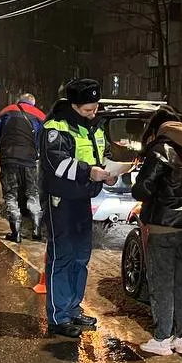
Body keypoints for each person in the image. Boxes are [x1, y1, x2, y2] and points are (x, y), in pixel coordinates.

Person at [40, 78, 114, 338]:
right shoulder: (56, 127)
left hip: (83, 198)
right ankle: (59, 316)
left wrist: (107, 173)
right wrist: (89, 172)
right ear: (73, 106)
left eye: (95, 108)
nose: (93, 113)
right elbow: (56, 163)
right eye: (87, 110)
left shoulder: (94, 127)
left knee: (81, 256)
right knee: (63, 255)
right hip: (61, 199)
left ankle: (72, 308)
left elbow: (100, 156)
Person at [131, 106, 182, 356]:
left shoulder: (160, 151)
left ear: (160, 130)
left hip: (163, 226)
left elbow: (142, 189)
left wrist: (137, 183)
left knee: (161, 282)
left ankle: (162, 338)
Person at [0, 92, 45, 243]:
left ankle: (16, 233)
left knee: (11, 195)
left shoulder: (6, 112)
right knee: (33, 193)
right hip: (29, 161)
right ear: (33, 103)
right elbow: (43, 139)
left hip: (9, 159)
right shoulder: (39, 116)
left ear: (19, 101)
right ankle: (36, 231)